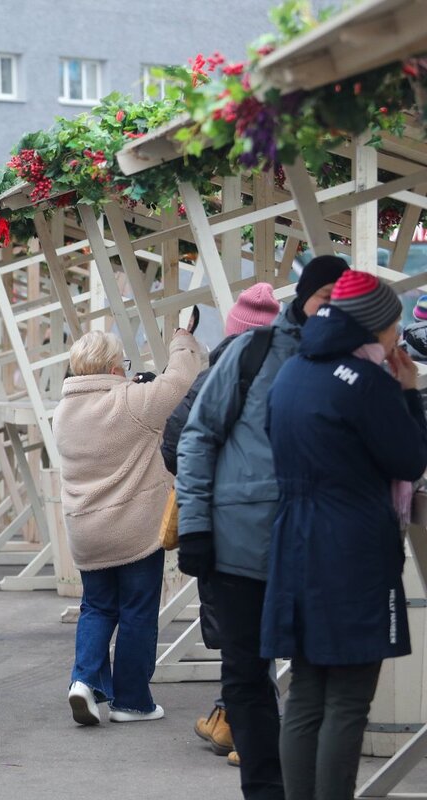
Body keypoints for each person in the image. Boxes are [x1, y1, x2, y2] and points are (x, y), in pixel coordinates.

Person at [178, 256, 347, 799]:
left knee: (317, 676)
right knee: (246, 674)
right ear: (305, 297)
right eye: (325, 297)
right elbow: (197, 436)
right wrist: (197, 528)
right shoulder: (252, 351)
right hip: (240, 544)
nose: (332, 309)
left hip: (320, 548)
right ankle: (266, 788)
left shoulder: (361, 359)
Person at [263, 271, 427, 800]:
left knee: (308, 692)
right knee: (350, 700)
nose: (396, 339)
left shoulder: (292, 372)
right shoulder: (368, 382)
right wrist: (409, 394)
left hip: (295, 541)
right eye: (392, 327)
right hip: (353, 547)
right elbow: (408, 457)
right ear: (373, 326)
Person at [159, 283, 280, 760]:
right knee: (265, 621)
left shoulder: (213, 377)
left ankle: (241, 725)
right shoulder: (291, 373)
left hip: (220, 522)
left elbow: (175, 443)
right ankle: (234, 718)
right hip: (279, 518)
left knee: (239, 626)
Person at [56, 328, 199, 726]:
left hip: (85, 532)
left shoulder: (63, 409)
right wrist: (183, 339)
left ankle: (83, 681)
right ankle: (131, 701)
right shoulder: (132, 401)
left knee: (97, 607)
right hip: (133, 529)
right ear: (114, 366)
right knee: (137, 611)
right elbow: (181, 381)